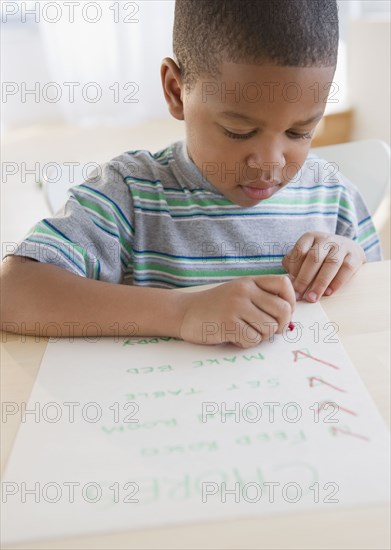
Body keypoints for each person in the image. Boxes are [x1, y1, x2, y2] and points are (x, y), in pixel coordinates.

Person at [0, 0, 382, 348]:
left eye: (300, 132)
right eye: (239, 132)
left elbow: (374, 301)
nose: (270, 163)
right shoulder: (131, 194)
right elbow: (13, 291)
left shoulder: (334, 197)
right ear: (176, 90)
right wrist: (181, 311)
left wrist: (350, 258)